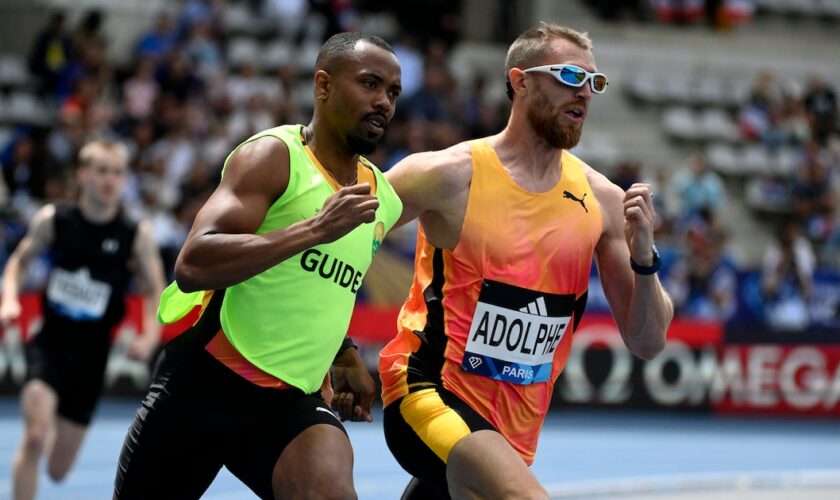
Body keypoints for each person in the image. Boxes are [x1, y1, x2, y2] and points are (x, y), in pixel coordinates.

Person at [379, 23, 674, 499]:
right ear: (520, 81)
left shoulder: (602, 201)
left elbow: (647, 341)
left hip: (513, 429)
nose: (585, 94)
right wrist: (338, 351)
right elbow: (335, 238)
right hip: (427, 390)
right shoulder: (447, 175)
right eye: (569, 77)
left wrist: (644, 260)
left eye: (594, 82)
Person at [113, 32, 403, 499]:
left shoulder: (382, 198)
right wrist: (311, 230)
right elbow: (193, 262)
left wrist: (342, 352)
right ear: (323, 85)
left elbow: (319, 283)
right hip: (204, 384)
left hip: (289, 404)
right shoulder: (274, 157)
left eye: (392, 92)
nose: (383, 102)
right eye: (370, 83)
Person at [0, 138, 166, 500]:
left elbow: (157, 290)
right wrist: (10, 299)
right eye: (102, 171)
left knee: (58, 471)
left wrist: (150, 335)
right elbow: (18, 262)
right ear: (84, 175)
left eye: (118, 173)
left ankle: (57, 427)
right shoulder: (54, 219)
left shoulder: (135, 234)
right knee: (34, 437)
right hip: (49, 344)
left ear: (124, 180)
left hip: (92, 358)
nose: (109, 179)